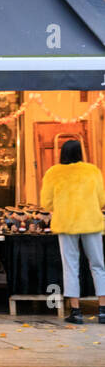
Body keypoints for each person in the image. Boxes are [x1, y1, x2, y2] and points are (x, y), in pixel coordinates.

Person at [39, 139, 105, 325]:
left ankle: (76, 311)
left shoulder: (53, 173)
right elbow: (102, 199)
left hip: (66, 223)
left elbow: (47, 203)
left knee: (70, 266)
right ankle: (103, 309)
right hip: (91, 222)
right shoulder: (93, 171)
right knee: (98, 265)